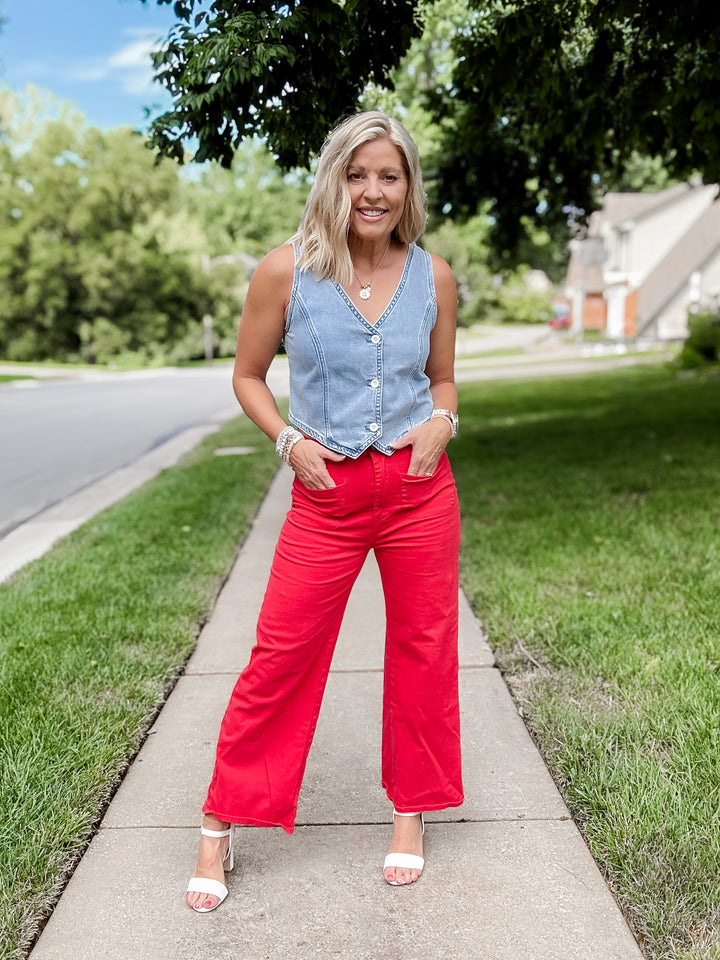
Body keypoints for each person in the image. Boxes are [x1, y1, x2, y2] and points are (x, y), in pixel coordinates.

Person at [186, 110, 463, 913]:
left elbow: (441, 379)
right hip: (326, 497)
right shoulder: (285, 271)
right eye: (357, 172)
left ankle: (410, 812)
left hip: (417, 496)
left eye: (389, 174)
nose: (373, 191)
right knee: (281, 657)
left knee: (423, 651)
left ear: (408, 184)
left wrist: (444, 422)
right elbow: (247, 376)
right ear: (333, 178)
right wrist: (286, 441)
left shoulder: (433, 276)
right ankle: (221, 818)